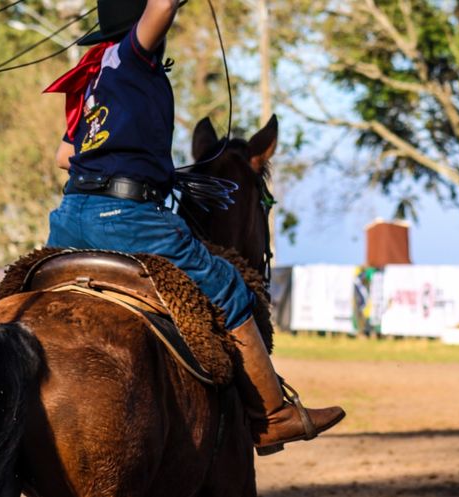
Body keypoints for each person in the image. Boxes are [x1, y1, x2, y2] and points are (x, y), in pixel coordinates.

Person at [44, 0, 344, 454]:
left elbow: (64, 157)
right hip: (127, 218)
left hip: (70, 217)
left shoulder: (92, 76)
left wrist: (131, 160)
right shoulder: (131, 55)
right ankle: (273, 417)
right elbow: (163, 4)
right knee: (228, 286)